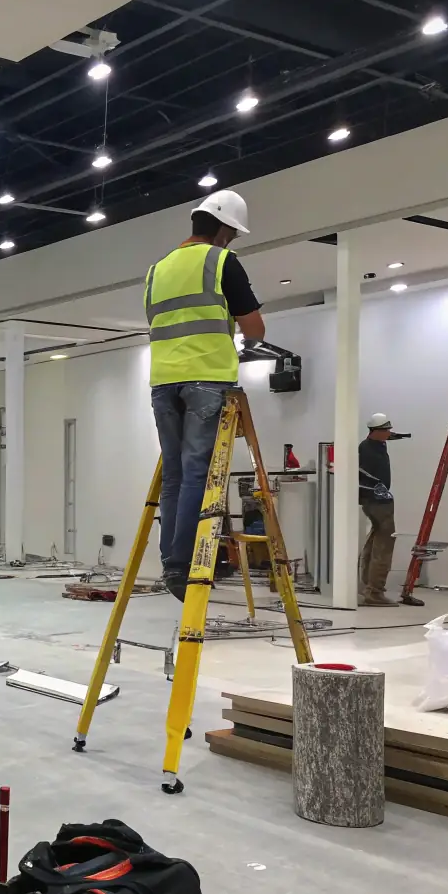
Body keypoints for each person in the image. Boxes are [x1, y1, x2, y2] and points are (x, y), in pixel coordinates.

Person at [144, 190, 265, 600]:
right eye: (231, 233)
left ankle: (170, 563)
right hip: (206, 380)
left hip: (163, 382)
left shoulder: (156, 269)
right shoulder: (220, 260)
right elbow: (254, 328)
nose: (231, 240)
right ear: (223, 228)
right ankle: (185, 566)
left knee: (175, 475)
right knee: (198, 472)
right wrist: (243, 335)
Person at [358, 413, 400, 606]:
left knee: (374, 544)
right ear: (375, 431)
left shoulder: (374, 445)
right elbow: (362, 475)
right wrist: (379, 490)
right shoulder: (366, 450)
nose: (389, 433)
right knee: (384, 546)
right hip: (376, 502)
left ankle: (367, 586)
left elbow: (390, 436)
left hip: (376, 501)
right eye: (386, 430)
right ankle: (375, 592)